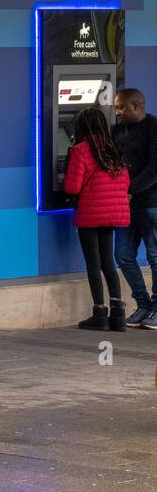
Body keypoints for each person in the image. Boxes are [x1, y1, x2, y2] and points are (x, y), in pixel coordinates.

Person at [63, 106, 131, 331]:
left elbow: (72, 187)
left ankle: (99, 314)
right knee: (108, 262)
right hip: (112, 214)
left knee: (93, 263)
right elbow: (125, 182)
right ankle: (119, 315)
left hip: (90, 213)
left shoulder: (80, 150)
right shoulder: (114, 148)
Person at [111, 88, 157, 328]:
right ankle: (144, 304)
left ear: (137, 106)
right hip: (126, 205)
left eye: (121, 107)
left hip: (151, 203)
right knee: (124, 256)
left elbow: (154, 169)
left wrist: (130, 190)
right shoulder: (117, 130)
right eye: (116, 107)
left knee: (155, 256)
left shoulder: (153, 127)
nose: (117, 112)